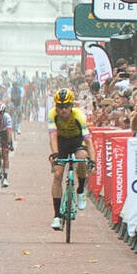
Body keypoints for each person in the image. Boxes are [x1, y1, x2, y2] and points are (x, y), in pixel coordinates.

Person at [47, 88, 94, 231]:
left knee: (81, 158)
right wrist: (55, 155)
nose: (63, 110)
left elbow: (89, 142)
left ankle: (80, 190)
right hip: (62, 143)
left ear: (71, 105)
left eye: (66, 106)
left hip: (77, 142)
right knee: (57, 174)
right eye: (60, 107)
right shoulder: (52, 114)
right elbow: (53, 137)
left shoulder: (79, 116)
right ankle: (57, 216)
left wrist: (92, 161)